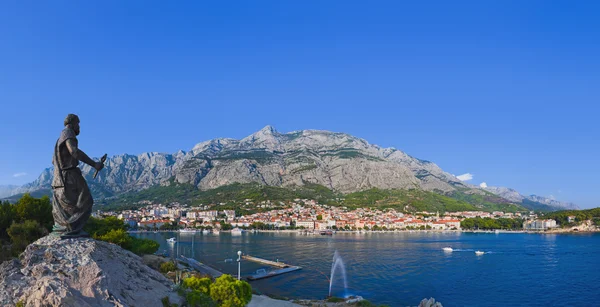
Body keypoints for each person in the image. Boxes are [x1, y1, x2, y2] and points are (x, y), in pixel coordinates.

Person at [51, 114, 104, 238]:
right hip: (70, 174)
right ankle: (71, 228)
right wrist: (94, 164)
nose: (79, 127)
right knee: (86, 200)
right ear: (73, 123)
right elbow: (74, 152)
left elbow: (54, 161)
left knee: (72, 204)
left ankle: (67, 227)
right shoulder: (68, 133)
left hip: (60, 177)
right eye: (78, 124)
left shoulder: (59, 140)